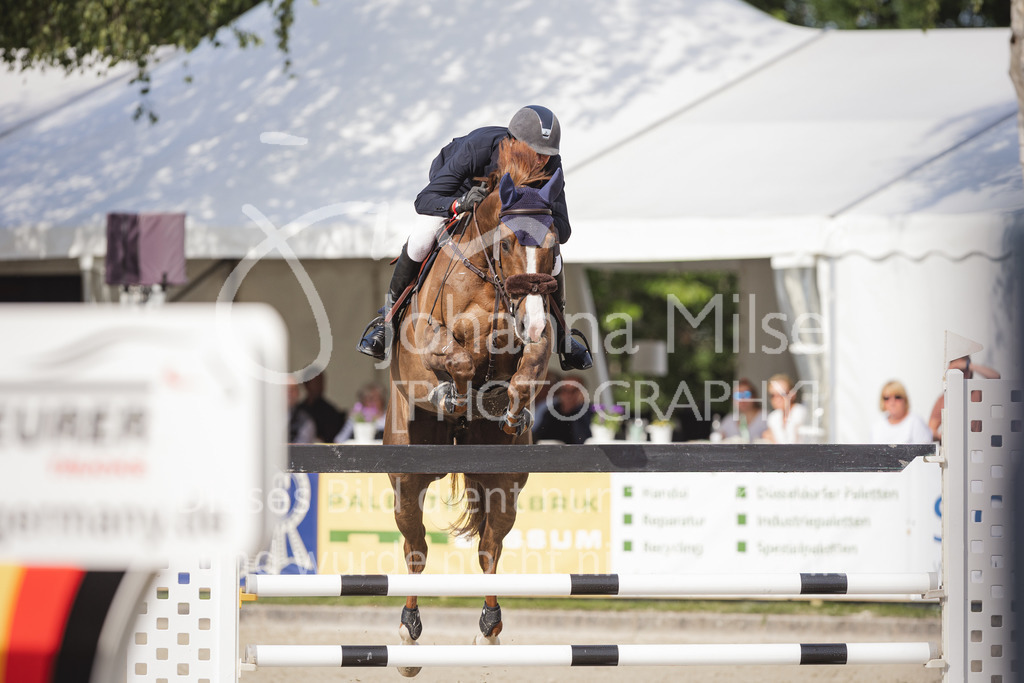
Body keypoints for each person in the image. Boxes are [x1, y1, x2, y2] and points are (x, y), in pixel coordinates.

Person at [356, 105, 592, 371]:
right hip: (459, 194)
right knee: (421, 238)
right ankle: (387, 320)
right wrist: (459, 203)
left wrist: (533, 218)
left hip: (512, 217)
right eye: (535, 152)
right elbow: (424, 200)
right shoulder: (478, 148)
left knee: (553, 253)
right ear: (514, 141)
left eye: (547, 155)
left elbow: (563, 228)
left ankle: (562, 333)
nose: (541, 161)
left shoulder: (551, 163)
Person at [928, 355, 1001, 441]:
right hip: (954, 446)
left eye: (964, 370)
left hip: (979, 444)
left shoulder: (978, 392)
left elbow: (995, 377)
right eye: (958, 370)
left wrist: (967, 365)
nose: (962, 374)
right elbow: (930, 431)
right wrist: (946, 437)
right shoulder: (943, 399)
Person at [532, 375, 592, 444]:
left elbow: (582, 439)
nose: (568, 395)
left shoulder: (591, 412)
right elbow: (537, 436)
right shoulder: (550, 412)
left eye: (574, 391)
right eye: (564, 390)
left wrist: (579, 407)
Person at [714, 378, 768, 443]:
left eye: (746, 394)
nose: (742, 399)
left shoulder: (767, 418)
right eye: (737, 395)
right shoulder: (729, 420)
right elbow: (717, 439)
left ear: (754, 396)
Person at [761, 373, 810, 444]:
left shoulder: (801, 413)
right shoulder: (773, 417)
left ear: (792, 394)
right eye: (772, 395)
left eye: (782, 394)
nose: (777, 399)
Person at [300, 371, 346, 443]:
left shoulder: (330, 412)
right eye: (316, 382)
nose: (320, 386)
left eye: (321, 382)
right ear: (306, 384)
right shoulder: (299, 410)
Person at [287, 376, 317, 444]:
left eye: (292, 389)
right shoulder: (266, 417)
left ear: (298, 393)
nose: (289, 393)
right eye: (285, 389)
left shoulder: (305, 421)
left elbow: (302, 447)